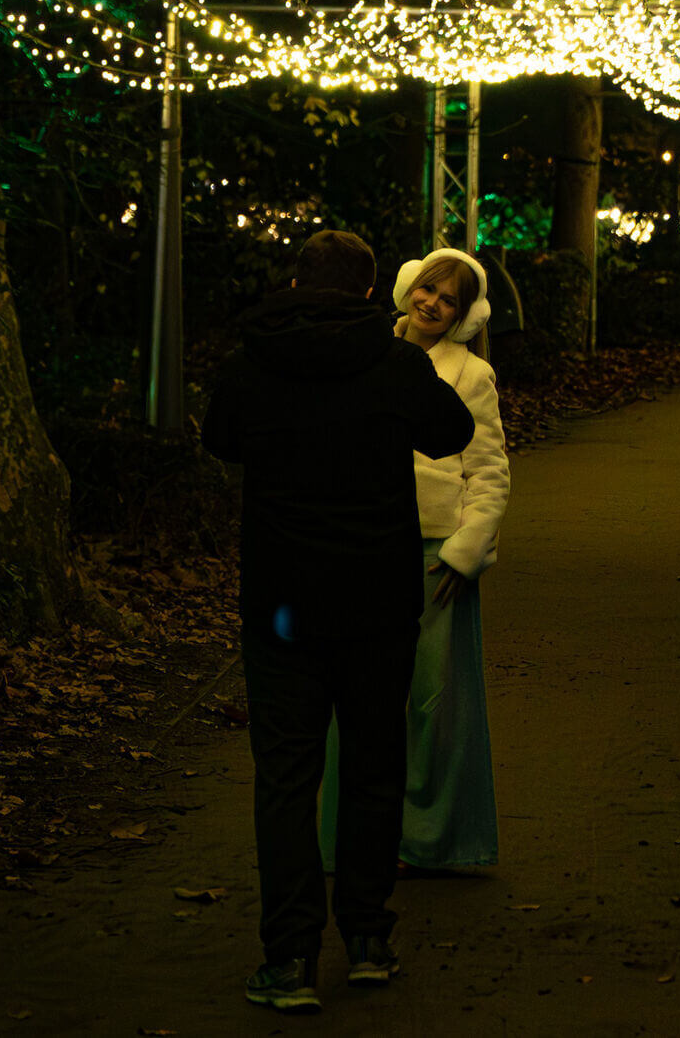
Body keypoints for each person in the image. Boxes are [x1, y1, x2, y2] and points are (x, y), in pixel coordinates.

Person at [201, 230, 474, 1014]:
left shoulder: (250, 363)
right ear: (367, 292)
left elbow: (221, 441)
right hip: (376, 600)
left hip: (282, 603)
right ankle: (367, 939)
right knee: (372, 768)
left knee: (286, 777)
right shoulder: (395, 364)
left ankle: (289, 957)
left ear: (294, 283)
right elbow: (451, 434)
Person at [321, 247, 510, 872]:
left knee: (430, 704)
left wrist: (464, 553)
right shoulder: (366, 348)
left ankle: (426, 842)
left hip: (435, 556)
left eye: (449, 299)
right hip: (363, 544)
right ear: (408, 286)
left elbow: (489, 473)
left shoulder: (471, 375)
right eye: (428, 289)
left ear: (462, 315)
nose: (432, 303)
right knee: (353, 697)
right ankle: (351, 836)